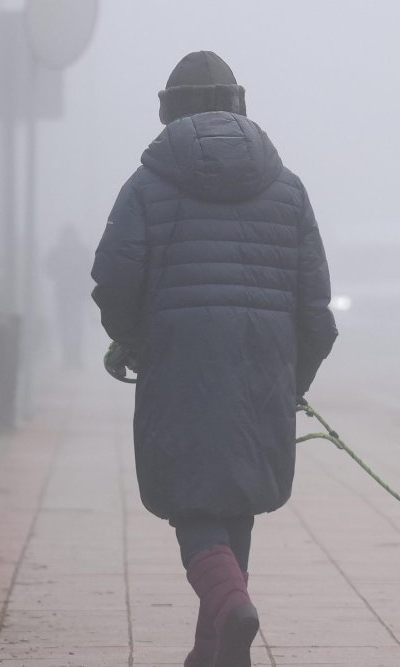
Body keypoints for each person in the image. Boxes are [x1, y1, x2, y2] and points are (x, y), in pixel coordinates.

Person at [90, 51, 338, 667]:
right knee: (235, 503)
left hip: (178, 368)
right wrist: (293, 378)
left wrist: (133, 341)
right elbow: (316, 308)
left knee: (195, 505)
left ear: (167, 112)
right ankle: (218, 654)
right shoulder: (288, 188)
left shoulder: (147, 186)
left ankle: (230, 616)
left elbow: (112, 280)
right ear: (239, 104)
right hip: (262, 370)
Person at [45, 224, 92, 367]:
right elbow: (48, 268)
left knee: (73, 326)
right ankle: (70, 357)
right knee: (68, 326)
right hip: (68, 294)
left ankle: (73, 357)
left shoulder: (62, 251)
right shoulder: (75, 251)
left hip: (72, 294)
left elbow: (89, 270)